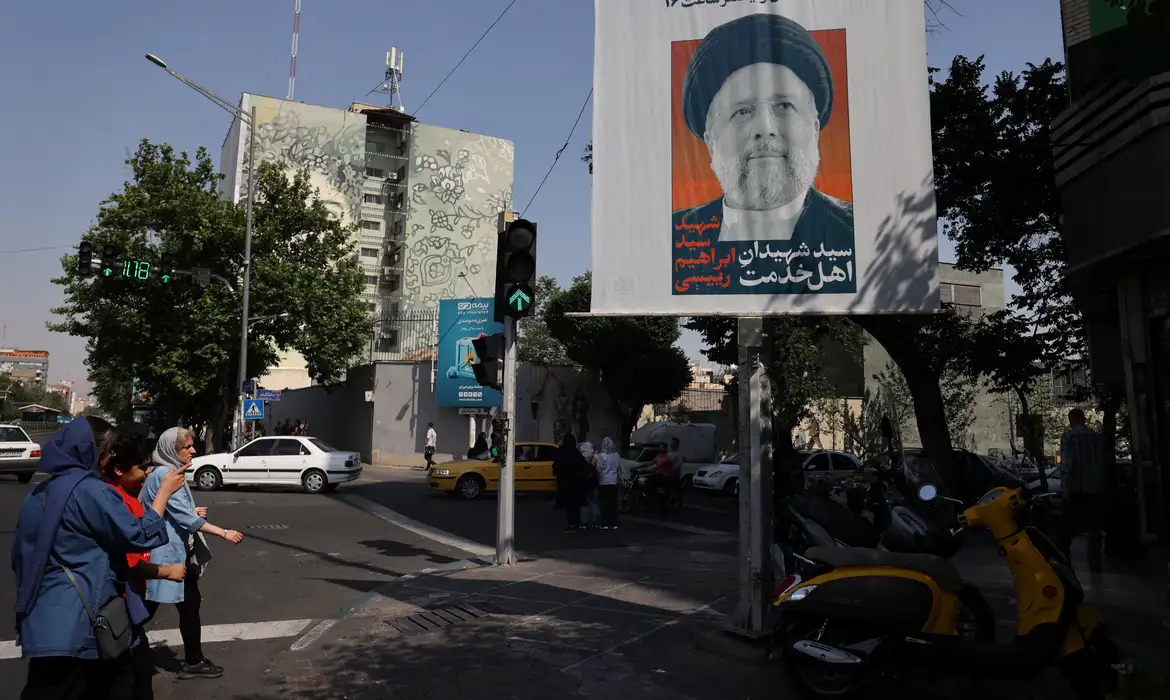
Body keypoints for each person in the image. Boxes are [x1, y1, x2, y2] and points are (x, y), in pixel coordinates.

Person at [671, 13, 854, 294]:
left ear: (814, 128)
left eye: (784, 107)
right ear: (711, 142)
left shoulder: (857, 234)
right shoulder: (674, 237)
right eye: (742, 112)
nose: (765, 129)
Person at [12, 417, 187, 700]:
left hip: (43, 623)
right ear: (93, 452)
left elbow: (20, 556)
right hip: (82, 625)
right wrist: (163, 494)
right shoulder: (88, 490)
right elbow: (139, 535)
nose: (109, 458)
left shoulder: (38, 494)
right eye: (108, 450)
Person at [140, 427, 244, 681]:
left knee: (187, 605)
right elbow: (184, 518)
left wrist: (192, 509)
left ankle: (193, 660)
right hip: (165, 556)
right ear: (170, 450)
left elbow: (176, 510)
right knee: (144, 609)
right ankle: (116, 652)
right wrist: (224, 532)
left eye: (191, 445)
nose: (193, 450)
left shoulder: (171, 472)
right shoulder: (166, 474)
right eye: (186, 447)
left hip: (176, 555)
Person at [100, 426, 189, 700]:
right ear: (117, 468)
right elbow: (139, 541)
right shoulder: (111, 499)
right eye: (142, 468)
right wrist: (167, 571)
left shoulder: (122, 494)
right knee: (132, 679)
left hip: (126, 606)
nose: (147, 474)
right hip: (117, 610)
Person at [1059, 408, 1110, 573]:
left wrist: (1065, 487)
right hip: (1095, 489)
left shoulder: (1069, 437)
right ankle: (1095, 565)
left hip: (1076, 489)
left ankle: (1064, 562)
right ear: (1084, 419)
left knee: (1066, 530)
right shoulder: (1096, 438)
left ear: (1071, 419)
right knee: (1094, 530)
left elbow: (1067, 464)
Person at [552, 433, 588, 532]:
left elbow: (556, 467)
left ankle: (571, 524)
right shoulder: (576, 453)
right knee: (575, 505)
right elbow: (584, 467)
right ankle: (576, 523)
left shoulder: (561, 453)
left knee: (569, 506)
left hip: (565, 483)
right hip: (576, 484)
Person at [597, 438, 621, 529]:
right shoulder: (616, 455)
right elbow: (619, 467)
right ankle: (614, 522)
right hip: (614, 481)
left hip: (604, 482)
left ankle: (604, 523)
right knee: (613, 503)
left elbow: (599, 469)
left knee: (604, 503)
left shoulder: (602, 456)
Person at [578, 442, 601, 529]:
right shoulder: (595, 457)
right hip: (593, 481)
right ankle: (594, 521)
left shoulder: (581, 457)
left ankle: (584, 522)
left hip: (584, 481)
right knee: (594, 501)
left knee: (584, 502)